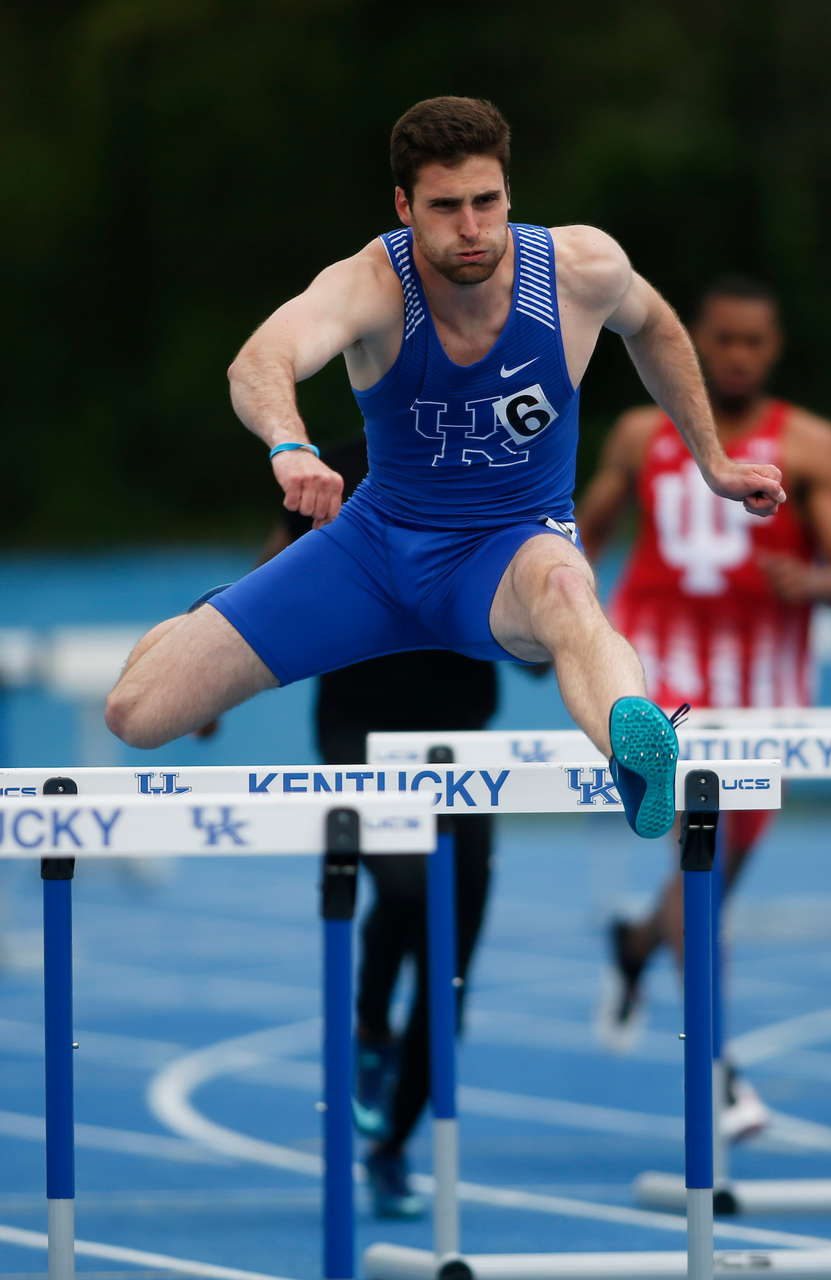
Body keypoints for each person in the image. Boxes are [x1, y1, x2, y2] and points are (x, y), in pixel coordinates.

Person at [105, 98, 786, 894]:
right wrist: (289, 446)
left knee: (568, 589)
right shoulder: (369, 283)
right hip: (373, 551)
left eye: (486, 202)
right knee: (137, 716)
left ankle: (633, 744)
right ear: (404, 207)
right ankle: (218, 611)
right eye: (445, 207)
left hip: (505, 552)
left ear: (508, 193)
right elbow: (260, 361)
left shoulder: (580, 270)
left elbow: (655, 326)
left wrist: (711, 459)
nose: (470, 227)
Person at [575, 275, 831, 1131]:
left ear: (772, 349)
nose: (735, 357)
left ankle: (633, 946)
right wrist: (563, 621)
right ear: (695, 340)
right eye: (722, 340)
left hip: (766, 685)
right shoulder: (639, 435)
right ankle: (717, 1070)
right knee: (696, 864)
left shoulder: (812, 447)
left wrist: (808, 580)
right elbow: (579, 532)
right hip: (660, 672)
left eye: (753, 342)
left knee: (714, 875)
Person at [259, 433, 498, 1217]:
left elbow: (531, 618)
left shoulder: (491, 471)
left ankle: (391, 1146)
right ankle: (369, 1024)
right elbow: (269, 582)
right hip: (358, 730)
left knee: (450, 970)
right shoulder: (336, 480)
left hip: (459, 746)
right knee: (405, 885)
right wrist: (209, 677)